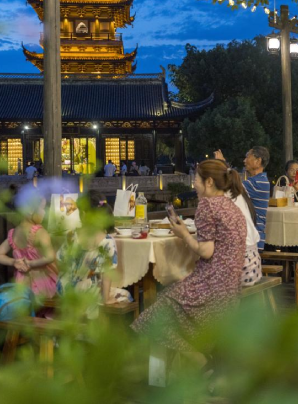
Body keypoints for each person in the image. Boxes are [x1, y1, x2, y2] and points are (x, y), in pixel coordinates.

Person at [131, 159, 247, 368]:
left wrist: (183, 233)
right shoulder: (231, 206)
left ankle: (189, 365)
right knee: (166, 298)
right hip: (230, 291)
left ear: (209, 182)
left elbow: (206, 250)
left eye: (196, 178)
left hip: (209, 289)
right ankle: (188, 365)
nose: (193, 183)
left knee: (152, 317)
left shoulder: (207, 205)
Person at [56, 191, 118, 317]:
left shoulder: (72, 235)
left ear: (83, 215)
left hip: (65, 288)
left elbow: (60, 260)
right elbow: (107, 275)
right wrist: (106, 299)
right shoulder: (108, 242)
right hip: (88, 291)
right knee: (125, 295)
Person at [0, 187, 58, 299]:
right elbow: (50, 257)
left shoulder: (13, 233)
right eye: (42, 208)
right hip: (43, 282)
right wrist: (29, 264)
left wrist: (14, 262)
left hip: (22, 285)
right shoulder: (40, 232)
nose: (44, 213)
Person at [214, 147, 270, 250]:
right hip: (252, 238)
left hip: (252, 241)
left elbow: (233, 185)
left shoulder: (258, 182)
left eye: (247, 157)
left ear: (258, 161)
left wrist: (222, 164)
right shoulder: (258, 180)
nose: (244, 161)